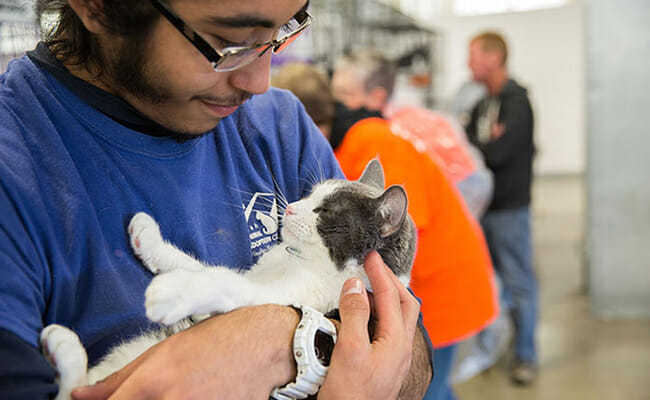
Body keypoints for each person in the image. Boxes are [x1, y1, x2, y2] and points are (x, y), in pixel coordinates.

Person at [0, 1, 433, 399]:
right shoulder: (16, 160)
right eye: (229, 42)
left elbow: (410, 354)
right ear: (98, 5)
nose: (260, 81)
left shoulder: (280, 126)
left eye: (283, 32)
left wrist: (279, 340)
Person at [274, 55, 499, 400]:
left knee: (425, 386)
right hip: (426, 284)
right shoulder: (352, 142)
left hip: (438, 285)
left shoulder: (372, 141)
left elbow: (401, 226)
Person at [464, 31, 538, 385]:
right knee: (494, 286)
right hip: (484, 212)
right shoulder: (482, 105)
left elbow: (500, 152)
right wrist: (485, 141)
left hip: (510, 210)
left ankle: (526, 356)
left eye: (474, 55)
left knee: (519, 283)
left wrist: (486, 145)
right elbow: (467, 150)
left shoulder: (516, 102)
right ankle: (495, 348)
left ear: (493, 58)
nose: (469, 63)